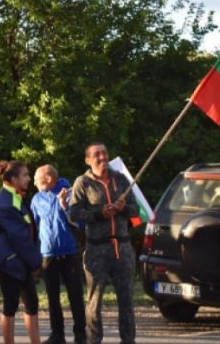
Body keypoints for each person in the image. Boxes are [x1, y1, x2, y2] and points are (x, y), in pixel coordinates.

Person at [66, 142, 138, 344]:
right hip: (97, 249)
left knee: (127, 300)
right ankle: (93, 340)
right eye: (97, 154)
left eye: (104, 153)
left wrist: (124, 208)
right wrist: (99, 213)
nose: (102, 157)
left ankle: (128, 340)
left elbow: (135, 210)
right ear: (88, 160)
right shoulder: (83, 182)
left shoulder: (121, 179)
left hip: (122, 248)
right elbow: (74, 214)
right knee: (95, 301)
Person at [0, 160, 42, 344]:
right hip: (9, 261)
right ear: (13, 179)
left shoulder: (16, 196)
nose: (29, 178)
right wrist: (36, 262)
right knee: (10, 305)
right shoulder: (5, 202)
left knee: (32, 303)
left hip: (21, 260)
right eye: (25, 175)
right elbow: (20, 237)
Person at [31, 165, 86, 344]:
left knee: (75, 295)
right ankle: (57, 335)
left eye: (36, 179)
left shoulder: (69, 192)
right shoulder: (36, 199)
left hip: (69, 252)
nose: (34, 182)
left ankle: (81, 335)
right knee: (52, 297)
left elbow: (80, 223)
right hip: (48, 254)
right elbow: (33, 228)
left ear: (48, 179)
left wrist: (65, 205)